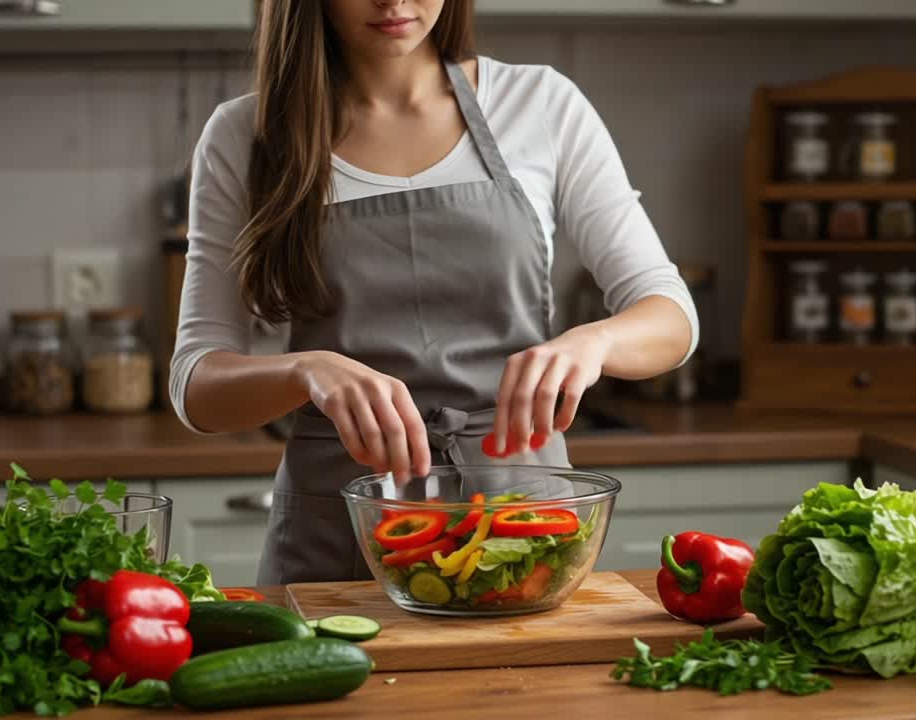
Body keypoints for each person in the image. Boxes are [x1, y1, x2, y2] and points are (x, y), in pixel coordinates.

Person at [170, 0, 699, 585]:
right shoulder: (245, 134)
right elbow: (196, 383)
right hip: (341, 527)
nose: (393, 1)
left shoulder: (540, 104)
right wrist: (306, 371)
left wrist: (592, 343)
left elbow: (669, 313)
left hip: (521, 526)